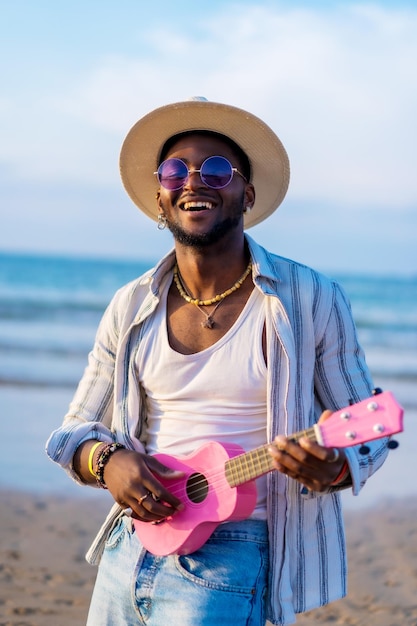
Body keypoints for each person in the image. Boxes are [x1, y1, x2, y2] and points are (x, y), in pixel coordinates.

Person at [46, 97, 388, 626]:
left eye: (217, 170)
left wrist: (335, 468)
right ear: (160, 198)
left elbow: (369, 427)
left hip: (236, 553)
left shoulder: (310, 297)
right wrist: (107, 462)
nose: (193, 181)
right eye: (175, 169)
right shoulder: (130, 305)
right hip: (130, 543)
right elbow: (72, 432)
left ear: (246, 193)